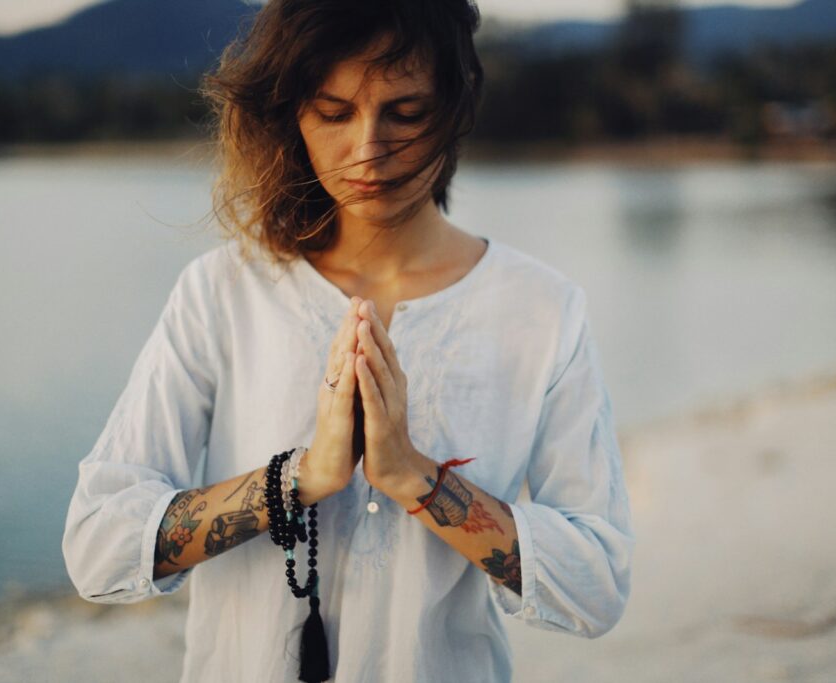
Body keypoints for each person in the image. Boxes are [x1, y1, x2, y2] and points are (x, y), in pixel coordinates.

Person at [62, 1, 635, 681]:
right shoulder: (222, 293)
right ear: (292, 114)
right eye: (334, 113)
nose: (368, 150)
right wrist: (298, 478)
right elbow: (98, 546)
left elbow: (597, 584)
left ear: (455, 105)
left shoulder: (540, 310)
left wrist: (416, 478)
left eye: (406, 112)